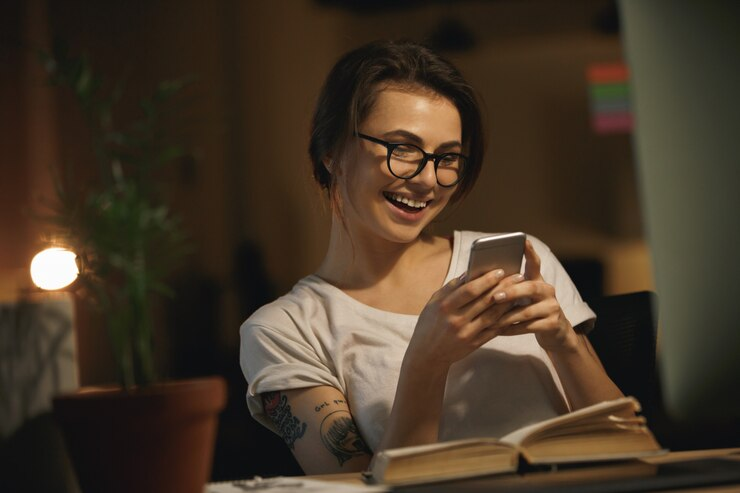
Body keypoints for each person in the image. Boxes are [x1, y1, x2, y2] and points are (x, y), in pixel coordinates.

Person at [240, 39, 623, 475]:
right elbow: (355, 485)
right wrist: (426, 362)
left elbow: (632, 448)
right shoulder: (283, 330)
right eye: (401, 148)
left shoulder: (523, 261)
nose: (427, 180)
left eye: (447, 157)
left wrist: (563, 340)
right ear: (331, 152)